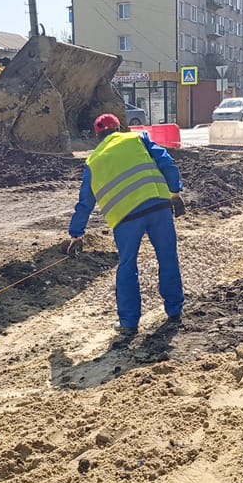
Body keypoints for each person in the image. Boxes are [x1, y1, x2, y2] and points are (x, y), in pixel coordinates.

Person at [67, 113, 184, 336]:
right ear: (120, 128)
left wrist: (76, 234)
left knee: (127, 267)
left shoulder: (93, 161)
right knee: (168, 257)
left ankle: (129, 323)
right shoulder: (138, 139)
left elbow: (85, 202)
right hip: (158, 205)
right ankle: (174, 310)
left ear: (97, 136)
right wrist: (175, 191)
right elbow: (166, 161)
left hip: (125, 218)